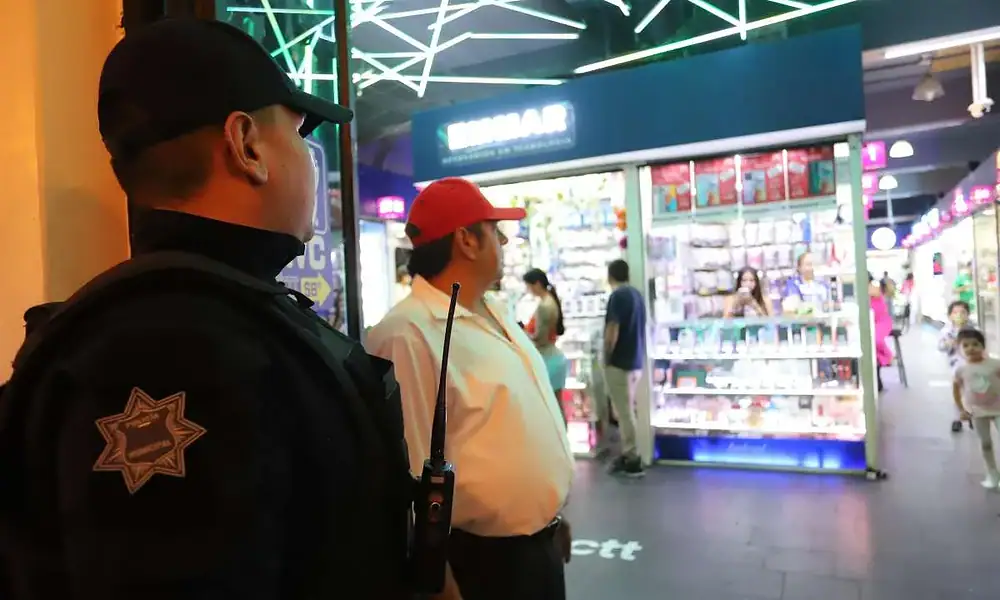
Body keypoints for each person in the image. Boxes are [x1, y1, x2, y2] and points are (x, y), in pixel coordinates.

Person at [0, 19, 414, 600]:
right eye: (299, 135)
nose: (309, 160)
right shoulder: (182, 348)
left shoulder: (158, 323)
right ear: (246, 145)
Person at [365, 178, 574, 600]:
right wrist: (437, 580)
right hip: (479, 566)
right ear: (466, 240)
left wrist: (549, 513)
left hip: (534, 548)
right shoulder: (408, 334)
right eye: (495, 232)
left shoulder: (494, 311)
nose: (503, 242)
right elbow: (406, 475)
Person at [603, 259, 648, 477]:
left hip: (619, 362)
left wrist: (607, 354)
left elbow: (613, 328)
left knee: (624, 411)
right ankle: (632, 451)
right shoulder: (637, 295)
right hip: (636, 359)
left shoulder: (617, 297)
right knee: (629, 409)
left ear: (610, 276)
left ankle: (632, 456)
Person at [952, 329, 1000, 489]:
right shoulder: (961, 370)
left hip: (998, 408)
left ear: (983, 346)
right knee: (985, 443)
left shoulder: (995, 364)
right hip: (978, 411)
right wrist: (962, 410)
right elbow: (956, 390)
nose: (971, 348)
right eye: (965, 345)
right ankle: (992, 474)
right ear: (959, 348)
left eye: (975, 344)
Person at [522, 268, 569, 418]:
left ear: (536, 284)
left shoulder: (544, 306)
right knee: (557, 404)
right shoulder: (551, 300)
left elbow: (539, 338)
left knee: (549, 407)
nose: (528, 290)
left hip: (547, 358)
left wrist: (523, 334)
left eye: (529, 286)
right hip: (554, 357)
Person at [940, 300, 977, 432]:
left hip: (972, 364)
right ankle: (960, 416)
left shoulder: (973, 330)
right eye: (955, 312)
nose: (959, 315)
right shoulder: (947, 331)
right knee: (959, 390)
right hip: (956, 365)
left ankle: (970, 413)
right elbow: (941, 346)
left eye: (963, 312)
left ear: (968, 315)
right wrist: (949, 343)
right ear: (950, 316)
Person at [869, 274, 894, 393]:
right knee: (870, 343)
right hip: (871, 322)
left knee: (875, 340)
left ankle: (888, 355)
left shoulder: (874, 287)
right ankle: (876, 380)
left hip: (882, 321)